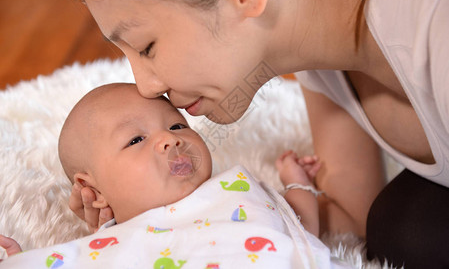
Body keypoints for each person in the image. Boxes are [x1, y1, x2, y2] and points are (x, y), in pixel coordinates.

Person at [60, 0, 449, 268]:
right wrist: (146, 223)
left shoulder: (437, 19)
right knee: (401, 226)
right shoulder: (321, 59)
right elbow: (354, 218)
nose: (146, 87)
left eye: (147, 47)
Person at [1, 83, 347, 268]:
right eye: (136, 139)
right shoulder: (105, 248)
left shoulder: (234, 191)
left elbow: (297, 226)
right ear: (94, 191)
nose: (170, 138)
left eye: (177, 124)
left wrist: (297, 182)